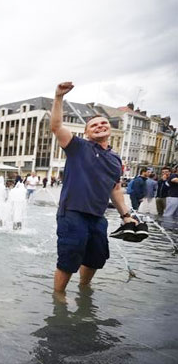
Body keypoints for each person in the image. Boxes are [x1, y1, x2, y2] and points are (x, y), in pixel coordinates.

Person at [50, 81, 137, 294]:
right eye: (93, 125)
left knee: (96, 256)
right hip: (72, 212)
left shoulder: (116, 159)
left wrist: (126, 215)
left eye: (103, 123)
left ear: (110, 128)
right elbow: (56, 126)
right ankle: (59, 297)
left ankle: (83, 289)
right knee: (70, 255)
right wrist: (59, 97)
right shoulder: (78, 147)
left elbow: (115, 189)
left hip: (97, 216)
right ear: (87, 133)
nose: (99, 126)